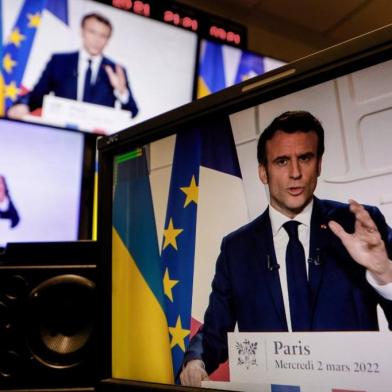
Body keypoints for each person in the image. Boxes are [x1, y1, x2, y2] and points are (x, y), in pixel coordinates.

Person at [179, 110, 392, 387]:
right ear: (263, 172)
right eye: (282, 161)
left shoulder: (360, 226)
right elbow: (214, 332)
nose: (295, 173)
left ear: (318, 164)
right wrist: (196, 361)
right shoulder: (236, 249)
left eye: (305, 158)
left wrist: (384, 273)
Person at [7, 13, 138, 119]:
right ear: (82, 31)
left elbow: (133, 112)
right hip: (62, 137)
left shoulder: (116, 70)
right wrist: (23, 105)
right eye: (92, 32)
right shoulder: (59, 61)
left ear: (108, 39)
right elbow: (37, 95)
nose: (97, 40)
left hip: (96, 142)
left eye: (103, 36)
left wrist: (122, 92)